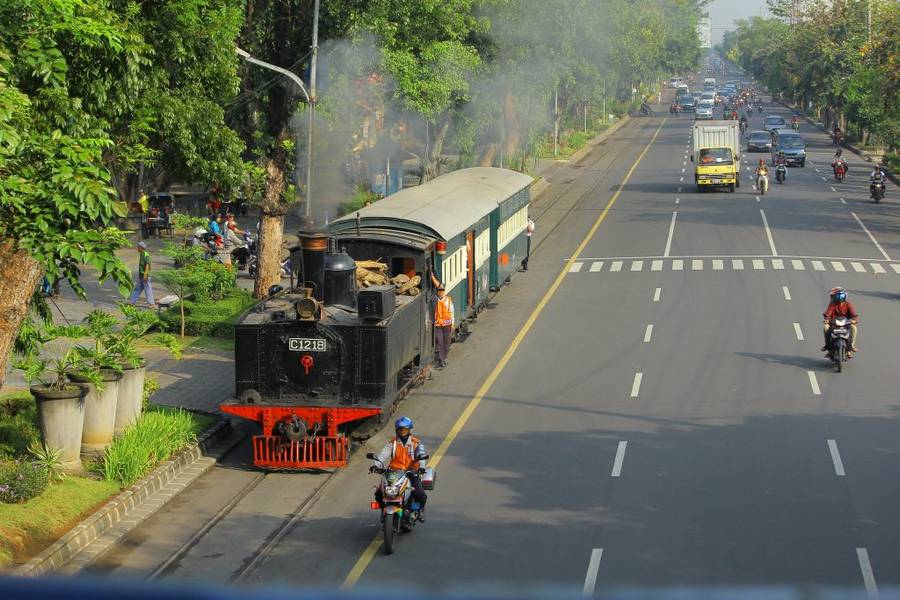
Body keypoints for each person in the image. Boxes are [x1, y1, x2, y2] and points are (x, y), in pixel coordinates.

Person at [371, 416, 428, 520]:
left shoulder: (416, 443)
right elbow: (383, 455)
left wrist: (421, 467)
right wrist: (376, 465)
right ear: (397, 430)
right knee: (380, 492)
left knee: (420, 494)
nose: (402, 432)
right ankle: (383, 508)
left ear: (409, 430)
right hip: (394, 472)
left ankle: (418, 510)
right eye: (400, 429)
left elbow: (421, 455)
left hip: (411, 472)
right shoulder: (392, 443)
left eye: (405, 429)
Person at [822, 287, 858, 355]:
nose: (839, 298)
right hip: (833, 323)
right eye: (837, 296)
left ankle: (851, 346)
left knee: (854, 328)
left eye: (840, 296)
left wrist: (854, 320)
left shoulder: (848, 304)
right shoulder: (832, 305)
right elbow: (828, 314)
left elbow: (854, 314)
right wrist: (827, 320)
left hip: (846, 323)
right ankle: (827, 345)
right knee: (825, 327)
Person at [430, 274, 454, 368]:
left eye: (442, 290)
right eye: (439, 290)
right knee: (440, 342)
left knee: (447, 343)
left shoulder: (448, 300)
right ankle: (441, 359)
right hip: (438, 325)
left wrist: (453, 324)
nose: (441, 292)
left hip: (447, 325)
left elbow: (451, 312)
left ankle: (444, 358)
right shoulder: (435, 300)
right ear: (437, 291)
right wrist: (432, 277)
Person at [128, 241, 155, 308]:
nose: (137, 248)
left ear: (141, 248)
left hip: (145, 276)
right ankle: (132, 302)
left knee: (148, 289)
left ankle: (152, 304)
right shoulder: (141, 254)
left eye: (138, 247)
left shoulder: (146, 255)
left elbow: (148, 265)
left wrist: (145, 274)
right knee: (137, 289)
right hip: (141, 276)